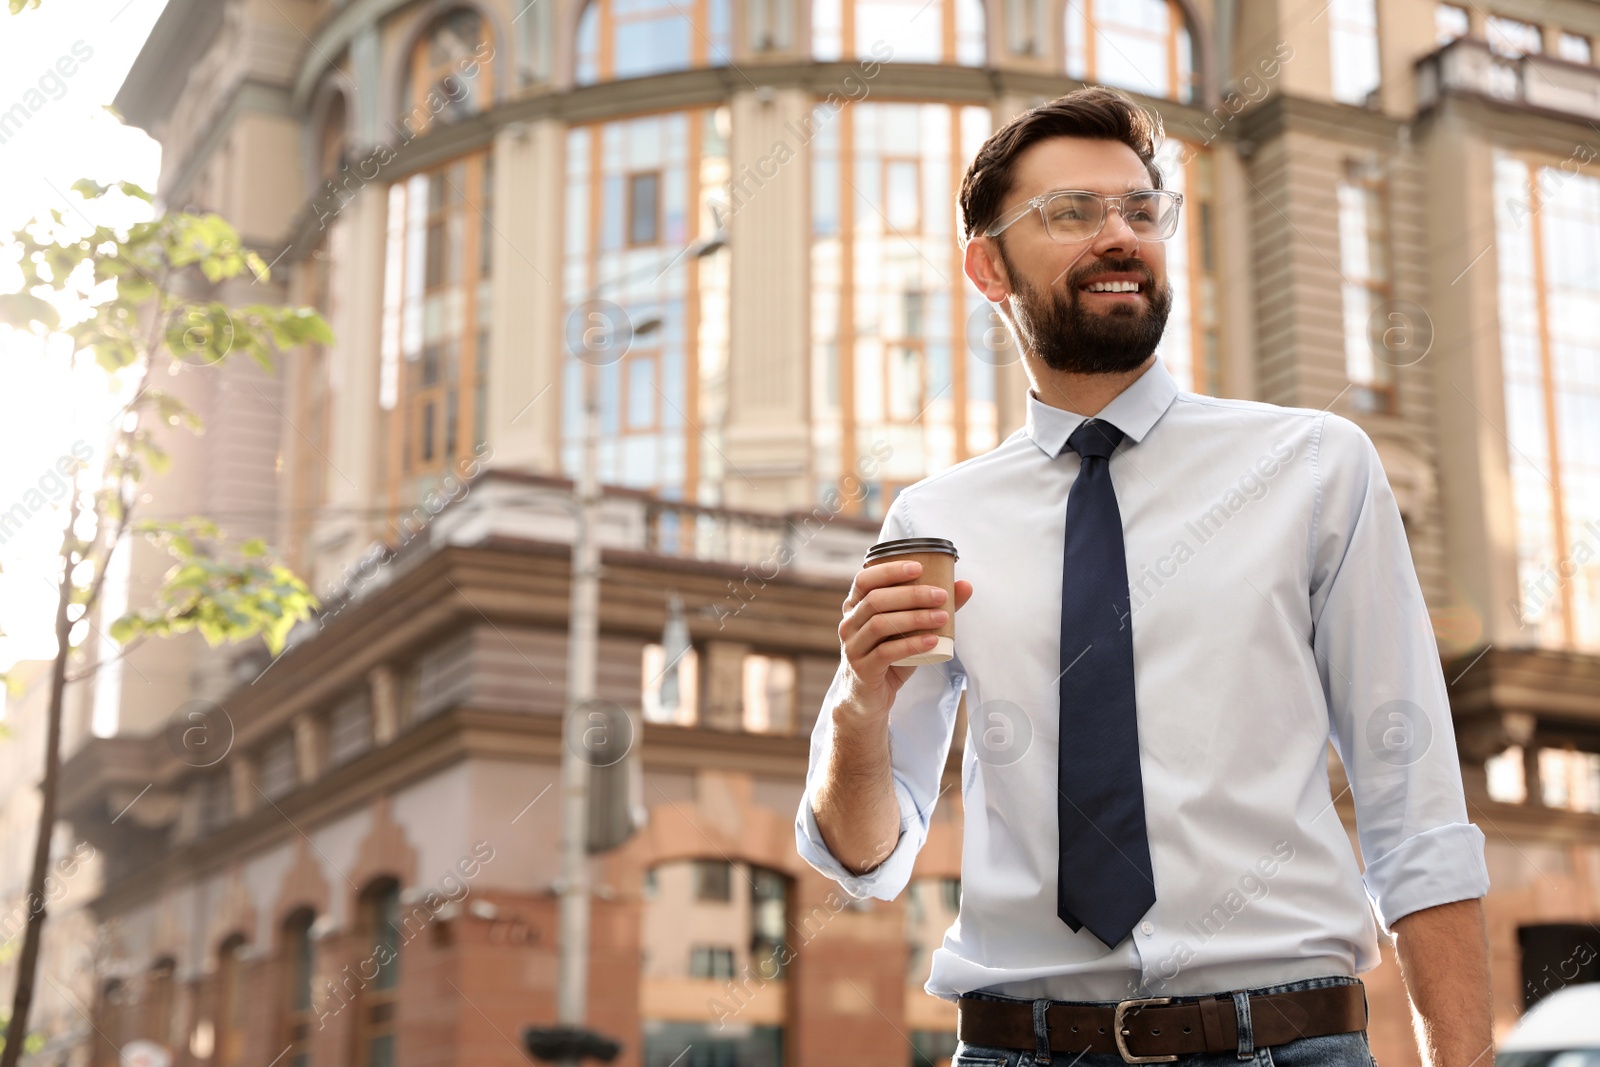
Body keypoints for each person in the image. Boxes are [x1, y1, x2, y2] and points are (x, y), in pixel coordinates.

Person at [795, 86, 1492, 1067]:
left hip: (1285, 1038)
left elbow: (1411, 803)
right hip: (1020, 1044)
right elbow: (867, 855)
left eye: (1138, 209)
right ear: (986, 265)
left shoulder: (1315, 466)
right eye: (1071, 213)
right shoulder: (933, 520)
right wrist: (859, 706)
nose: (1119, 235)